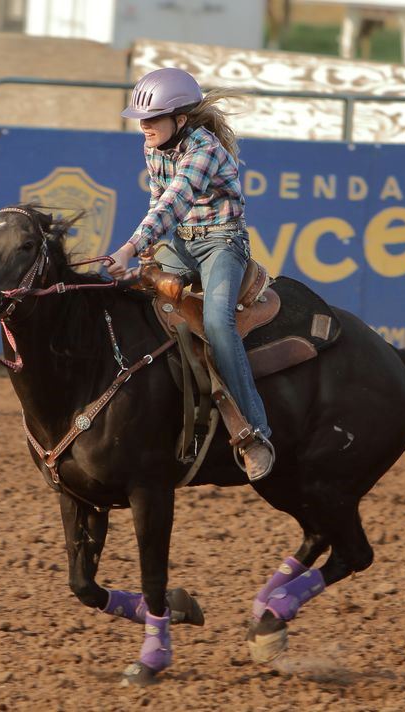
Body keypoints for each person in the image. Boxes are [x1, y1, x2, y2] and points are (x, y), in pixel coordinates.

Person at [107, 67, 274, 481]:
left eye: (153, 118)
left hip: (221, 245)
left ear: (180, 120)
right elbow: (157, 201)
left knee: (218, 323)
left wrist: (128, 247)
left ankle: (256, 431)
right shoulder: (154, 147)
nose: (144, 126)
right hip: (181, 244)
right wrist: (144, 248)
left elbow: (174, 202)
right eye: (141, 119)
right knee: (134, 297)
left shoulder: (204, 150)